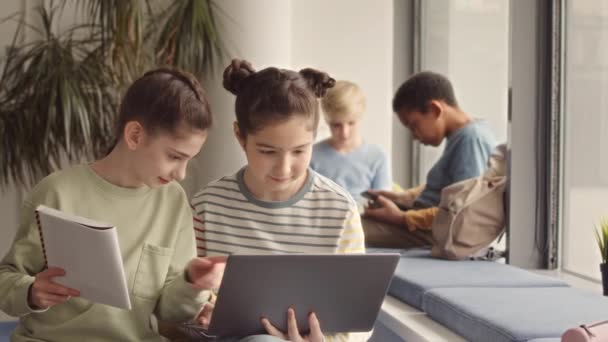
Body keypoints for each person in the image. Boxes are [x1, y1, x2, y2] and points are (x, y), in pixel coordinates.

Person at [0, 68, 229, 342]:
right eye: (174, 157)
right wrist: (32, 292)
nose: (180, 174)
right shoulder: (57, 192)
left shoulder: (173, 200)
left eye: (188, 160)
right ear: (134, 135)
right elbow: (7, 279)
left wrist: (192, 280)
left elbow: (170, 311)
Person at [191, 59, 367, 342]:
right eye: (267, 151)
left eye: (299, 151)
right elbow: (187, 299)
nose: (284, 168)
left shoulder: (340, 210)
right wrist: (199, 314)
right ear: (240, 135)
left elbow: (356, 315)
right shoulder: (206, 208)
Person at [363, 71, 497, 248]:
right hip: (421, 220)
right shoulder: (463, 136)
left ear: (435, 110)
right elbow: (446, 187)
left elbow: (461, 210)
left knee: (347, 230)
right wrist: (404, 198)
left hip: (431, 231)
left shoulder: (470, 139)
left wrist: (402, 218)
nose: (414, 136)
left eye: (414, 125)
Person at [310, 80, 391, 205]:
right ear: (327, 121)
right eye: (336, 125)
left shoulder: (377, 156)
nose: (344, 133)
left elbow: (383, 204)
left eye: (351, 123)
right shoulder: (312, 155)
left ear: (361, 117)